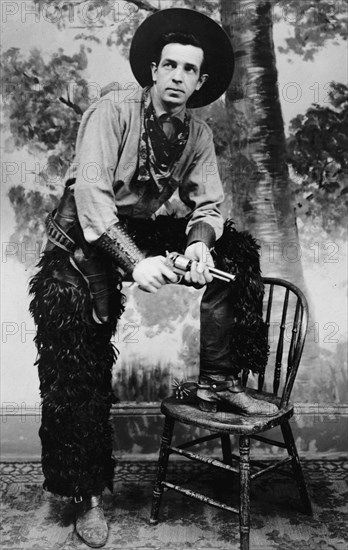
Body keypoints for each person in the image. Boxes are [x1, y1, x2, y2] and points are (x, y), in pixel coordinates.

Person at [29, 8, 278, 548]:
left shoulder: (198, 134)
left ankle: (218, 381)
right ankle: (87, 495)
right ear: (153, 69)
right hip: (79, 243)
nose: (177, 78)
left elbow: (208, 203)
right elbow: (92, 198)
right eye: (169, 66)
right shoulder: (111, 112)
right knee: (75, 363)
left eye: (189, 70)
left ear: (200, 81)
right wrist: (134, 261)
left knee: (234, 250)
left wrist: (195, 244)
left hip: (138, 228)